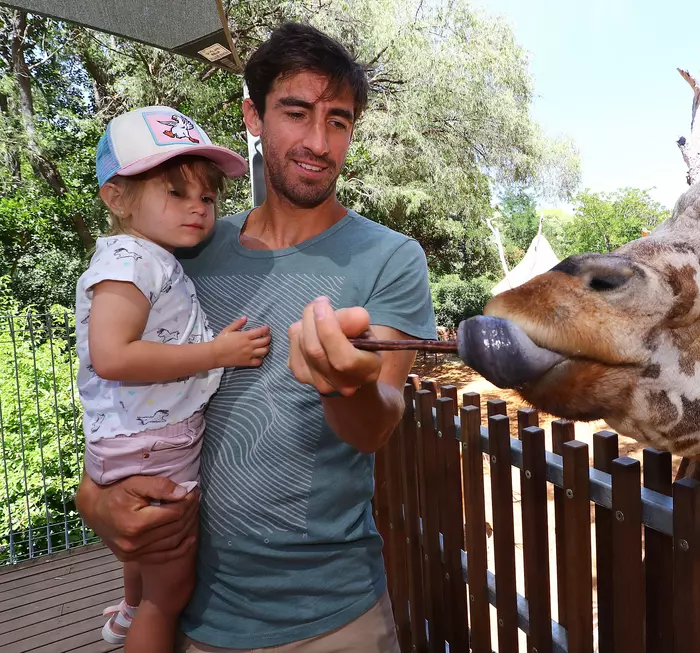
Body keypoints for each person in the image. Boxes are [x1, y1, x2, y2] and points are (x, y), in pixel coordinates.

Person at [74, 21, 438, 652]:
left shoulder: (391, 257)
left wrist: (341, 385)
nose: (318, 142)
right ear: (253, 115)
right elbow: (117, 384)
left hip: (333, 616)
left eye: (339, 121)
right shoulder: (185, 247)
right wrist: (92, 499)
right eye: (296, 112)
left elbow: (378, 423)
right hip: (193, 612)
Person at [76, 106, 272, 652]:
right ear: (117, 198)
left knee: (147, 557)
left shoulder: (150, 256)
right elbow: (113, 355)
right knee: (173, 584)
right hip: (152, 446)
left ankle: (128, 608)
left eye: (206, 198)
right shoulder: (130, 260)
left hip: (140, 439)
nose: (197, 208)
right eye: (175, 193)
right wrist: (217, 352)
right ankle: (143, 618)